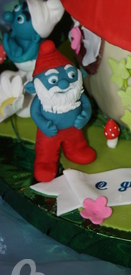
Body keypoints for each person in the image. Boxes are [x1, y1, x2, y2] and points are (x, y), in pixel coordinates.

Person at [25, 40, 96, 182]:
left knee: (76, 142)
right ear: (34, 87)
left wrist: (85, 116)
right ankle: (45, 162)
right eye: (53, 80)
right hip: (49, 133)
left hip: (74, 130)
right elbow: (35, 113)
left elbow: (87, 105)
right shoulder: (42, 99)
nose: (64, 83)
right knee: (46, 149)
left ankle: (76, 151)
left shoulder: (76, 94)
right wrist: (44, 125)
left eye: (71, 76)